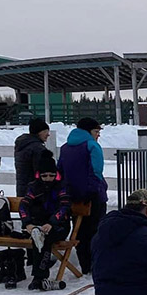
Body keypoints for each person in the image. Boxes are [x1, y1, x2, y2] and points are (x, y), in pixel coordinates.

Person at [58, 117, 108, 275]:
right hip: (92, 196)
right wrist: (93, 192)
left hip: (73, 196)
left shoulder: (65, 147)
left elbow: (60, 171)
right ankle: (96, 265)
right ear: (88, 131)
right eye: (96, 131)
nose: (97, 135)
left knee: (79, 231)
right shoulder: (92, 146)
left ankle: (84, 264)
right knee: (96, 231)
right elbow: (96, 171)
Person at [18, 149, 71, 291]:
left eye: (51, 175)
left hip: (59, 225)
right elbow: (23, 205)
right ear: (39, 175)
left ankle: (39, 276)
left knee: (43, 238)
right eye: (44, 175)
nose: (48, 178)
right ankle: (39, 277)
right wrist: (27, 223)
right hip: (38, 225)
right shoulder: (34, 187)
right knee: (38, 237)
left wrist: (52, 222)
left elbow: (64, 207)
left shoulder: (62, 186)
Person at [14, 118, 50, 197]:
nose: (48, 134)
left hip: (23, 189)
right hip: (35, 192)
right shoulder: (37, 148)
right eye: (45, 132)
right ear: (38, 133)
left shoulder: (23, 145)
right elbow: (41, 171)